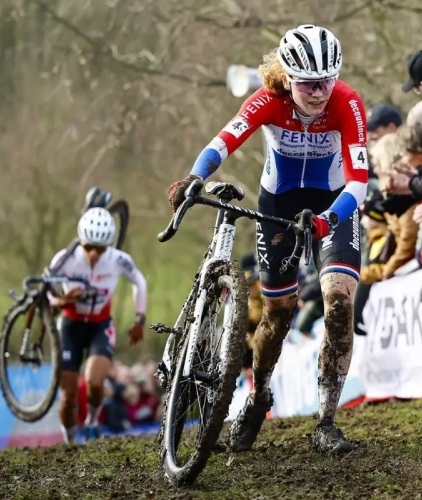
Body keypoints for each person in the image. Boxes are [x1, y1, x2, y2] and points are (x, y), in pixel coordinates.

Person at [166, 25, 368, 454]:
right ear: (288, 78)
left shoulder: (347, 103)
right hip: (277, 207)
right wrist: (196, 177)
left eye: (328, 80)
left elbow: (360, 183)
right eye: (310, 84)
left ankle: (326, 422)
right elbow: (224, 142)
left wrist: (328, 219)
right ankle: (258, 398)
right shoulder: (267, 100)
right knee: (277, 315)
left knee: (340, 302)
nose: (320, 93)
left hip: (334, 205)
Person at [48, 207, 148, 443]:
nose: (93, 254)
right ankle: (69, 440)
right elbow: (48, 292)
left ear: (108, 246)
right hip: (70, 325)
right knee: (68, 396)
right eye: (88, 247)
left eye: (100, 249)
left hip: (99, 325)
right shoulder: (65, 258)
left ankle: (92, 421)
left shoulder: (118, 260)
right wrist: (63, 300)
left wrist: (139, 318)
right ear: (80, 241)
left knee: (94, 382)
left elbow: (140, 282)